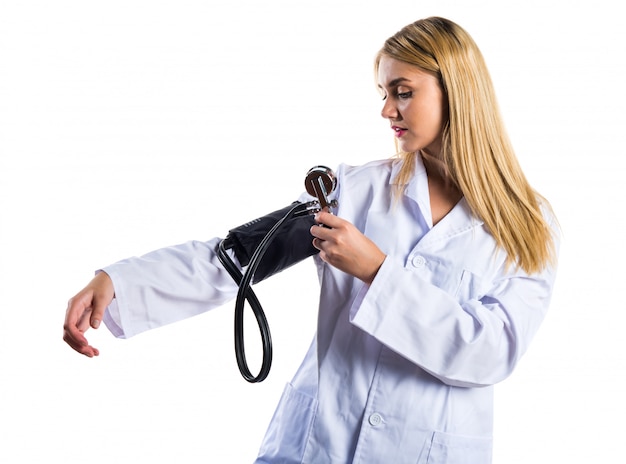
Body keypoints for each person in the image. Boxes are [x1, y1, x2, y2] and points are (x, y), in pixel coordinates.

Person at [63, 16, 559, 463]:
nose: (387, 109)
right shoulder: (353, 190)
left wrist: (376, 271)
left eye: (403, 91)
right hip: (318, 444)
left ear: (456, 91)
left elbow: (491, 352)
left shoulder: (528, 224)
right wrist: (120, 282)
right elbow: (240, 257)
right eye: (383, 93)